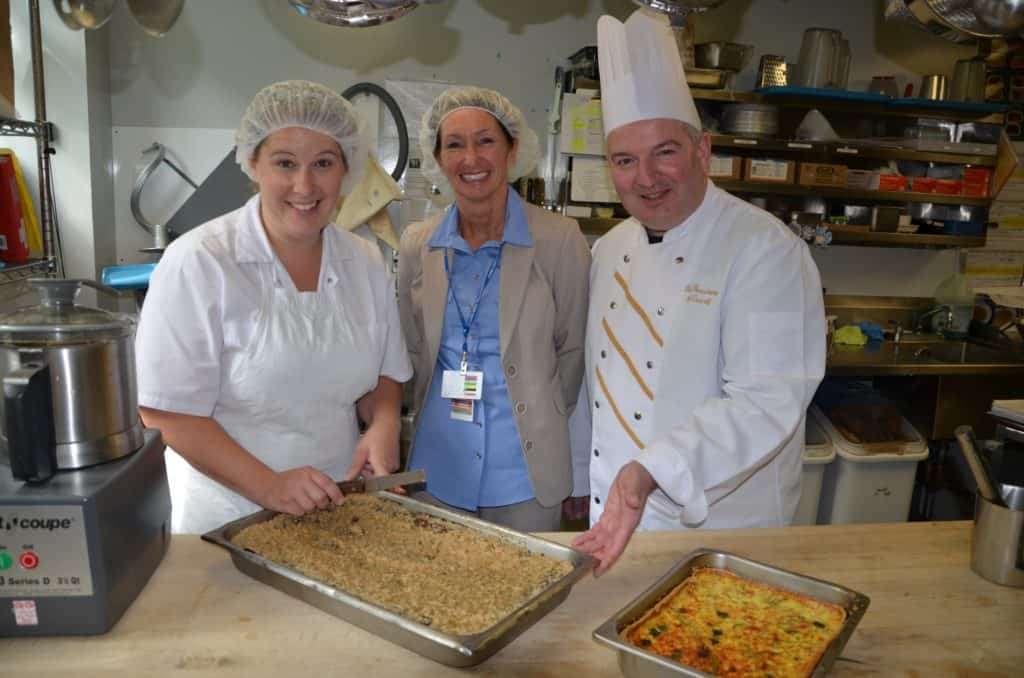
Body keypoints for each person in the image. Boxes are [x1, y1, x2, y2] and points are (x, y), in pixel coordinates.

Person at [571, 11, 827, 574]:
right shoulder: (609, 248)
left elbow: (766, 400)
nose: (647, 177)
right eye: (625, 160)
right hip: (614, 522)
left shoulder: (765, 249)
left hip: (724, 529)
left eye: (665, 151)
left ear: (703, 152)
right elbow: (598, 389)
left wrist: (650, 471)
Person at [136, 80, 412, 534]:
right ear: (253, 165)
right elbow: (167, 412)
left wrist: (383, 425)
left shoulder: (364, 261)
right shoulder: (201, 261)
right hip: (226, 520)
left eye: (323, 163)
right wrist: (268, 486)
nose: (305, 185)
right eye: (285, 163)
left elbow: (383, 373)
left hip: (336, 508)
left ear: (346, 170)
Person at [397, 86, 591, 532]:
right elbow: (410, 350)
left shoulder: (560, 240)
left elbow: (574, 353)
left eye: (485, 140)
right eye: (455, 145)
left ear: (512, 149)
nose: (471, 159)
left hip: (526, 475)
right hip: (436, 469)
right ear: (439, 158)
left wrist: (552, 426)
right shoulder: (418, 245)